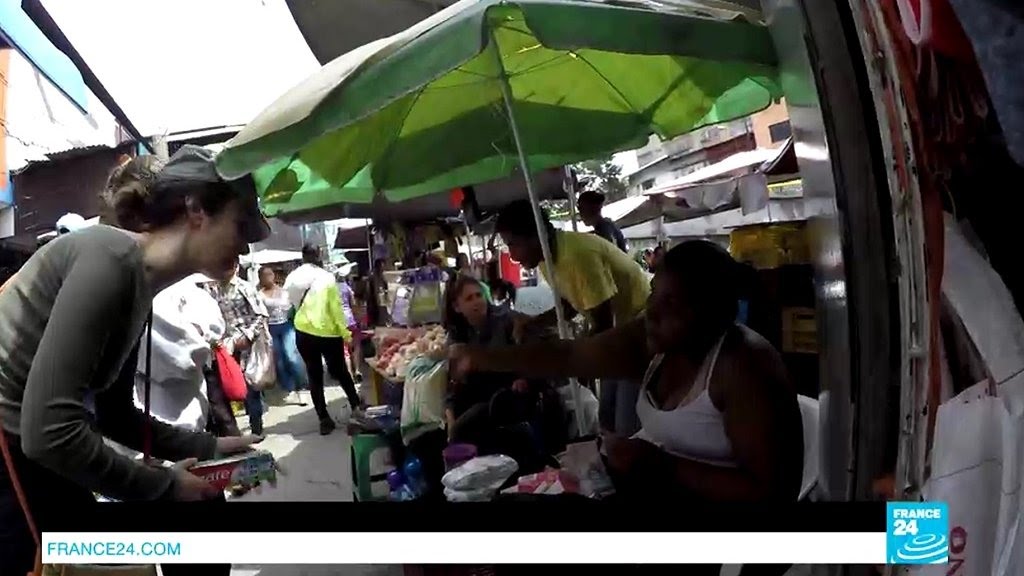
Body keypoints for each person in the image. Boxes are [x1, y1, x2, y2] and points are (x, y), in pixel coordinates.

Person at [0, 147, 267, 576]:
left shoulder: (140, 285)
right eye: (242, 225)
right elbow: (49, 432)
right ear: (196, 210)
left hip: (32, 452)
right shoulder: (108, 258)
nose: (246, 246)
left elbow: (116, 415)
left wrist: (208, 448)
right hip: (11, 457)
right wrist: (164, 485)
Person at [450, 240, 804, 502]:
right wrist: (481, 358)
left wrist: (660, 464)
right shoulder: (654, 340)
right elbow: (570, 355)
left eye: (671, 302)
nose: (652, 312)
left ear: (710, 309)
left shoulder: (744, 366)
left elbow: (771, 493)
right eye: (654, 294)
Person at [495, 199, 651, 436]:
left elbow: (604, 323)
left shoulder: (578, 255)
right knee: (606, 419)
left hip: (639, 332)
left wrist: (573, 360)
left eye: (512, 244)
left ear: (534, 236)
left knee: (625, 426)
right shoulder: (547, 259)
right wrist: (533, 322)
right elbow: (571, 303)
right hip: (617, 332)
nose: (512, 255)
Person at [444, 276, 565, 462]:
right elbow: (452, 384)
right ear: (457, 307)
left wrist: (524, 378)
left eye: (479, 295)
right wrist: (450, 415)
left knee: (462, 430)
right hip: (481, 398)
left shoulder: (507, 320)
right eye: (469, 298)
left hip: (510, 396)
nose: (477, 301)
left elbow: (534, 354)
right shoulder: (459, 334)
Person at [284, 244, 363, 435]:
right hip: (327, 331)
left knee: (314, 375)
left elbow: (289, 303)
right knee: (341, 371)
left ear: (303, 256)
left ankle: (324, 419)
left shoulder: (293, 277)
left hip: (303, 330)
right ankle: (356, 406)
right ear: (318, 255)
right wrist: (346, 334)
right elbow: (335, 308)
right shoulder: (327, 277)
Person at [203, 264, 270, 436]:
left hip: (247, 344)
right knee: (228, 386)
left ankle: (256, 428)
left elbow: (261, 315)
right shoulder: (214, 290)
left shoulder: (245, 288)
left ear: (236, 267)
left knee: (250, 387)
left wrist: (248, 336)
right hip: (225, 346)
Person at [258, 266, 308, 406]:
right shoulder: (259, 295)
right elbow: (260, 315)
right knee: (279, 361)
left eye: (270, 274)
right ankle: (289, 388)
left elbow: (294, 306)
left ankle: (301, 387)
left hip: (286, 325)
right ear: (260, 278)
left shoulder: (284, 291)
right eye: (265, 275)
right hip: (271, 328)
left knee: (291, 357)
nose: (268, 277)